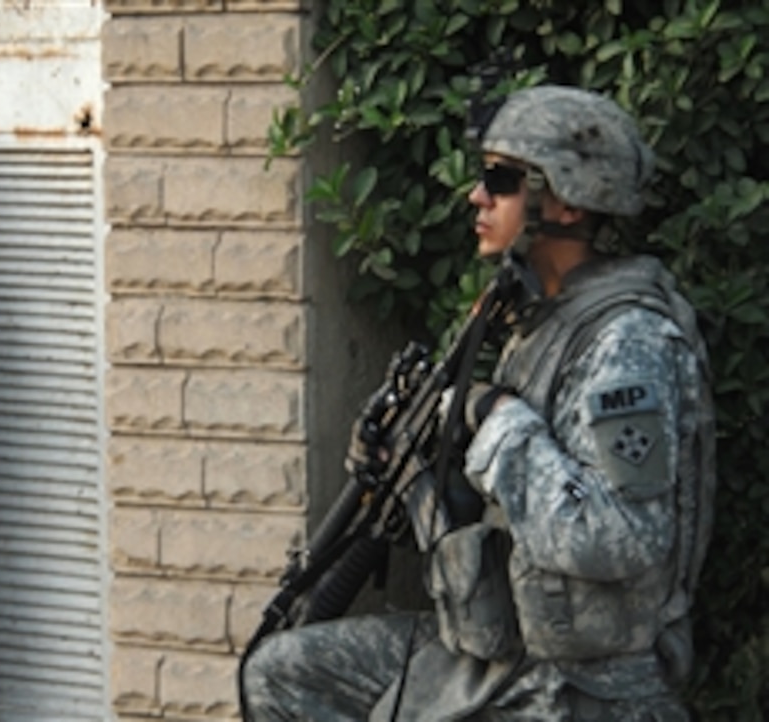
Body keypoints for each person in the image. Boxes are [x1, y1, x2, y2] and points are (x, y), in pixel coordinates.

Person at [241, 85, 716, 720]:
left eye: (501, 180)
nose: (477, 196)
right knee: (281, 673)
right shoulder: (536, 322)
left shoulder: (626, 341)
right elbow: (499, 514)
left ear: (567, 202)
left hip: (587, 686)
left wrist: (497, 421)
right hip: (505, 651)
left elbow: (620, 538)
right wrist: (408, 474)